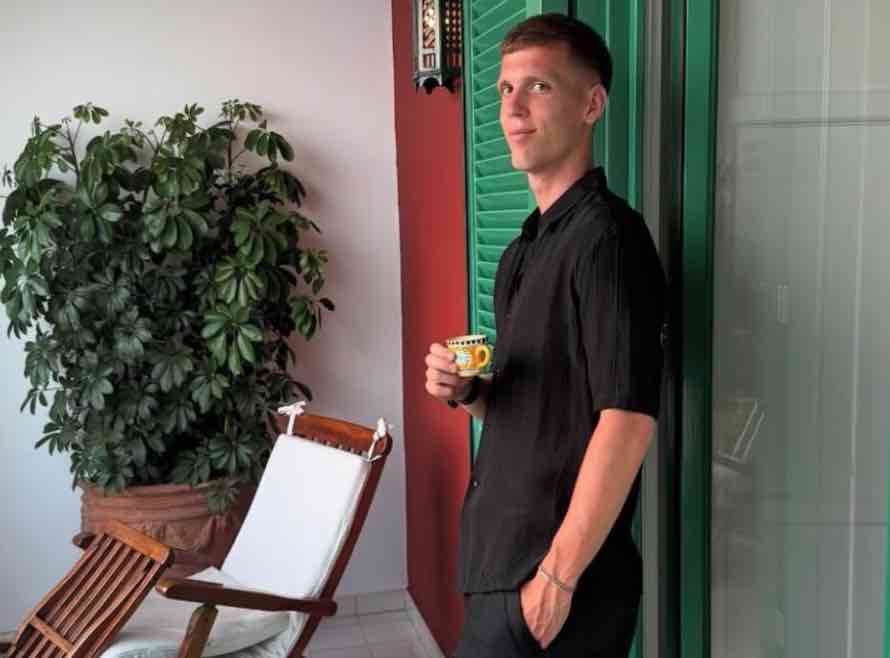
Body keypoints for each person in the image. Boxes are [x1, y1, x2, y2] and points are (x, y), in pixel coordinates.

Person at [424, 13, 666, 658]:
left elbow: (628, 419)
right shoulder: (522, 250)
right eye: (506, 89)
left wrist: (555, 582)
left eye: (539, 86)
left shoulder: (608, 240)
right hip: (502, 566)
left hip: (557, 584)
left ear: (592, 105)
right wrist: (467, 392)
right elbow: (532, 410)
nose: (514, 108)